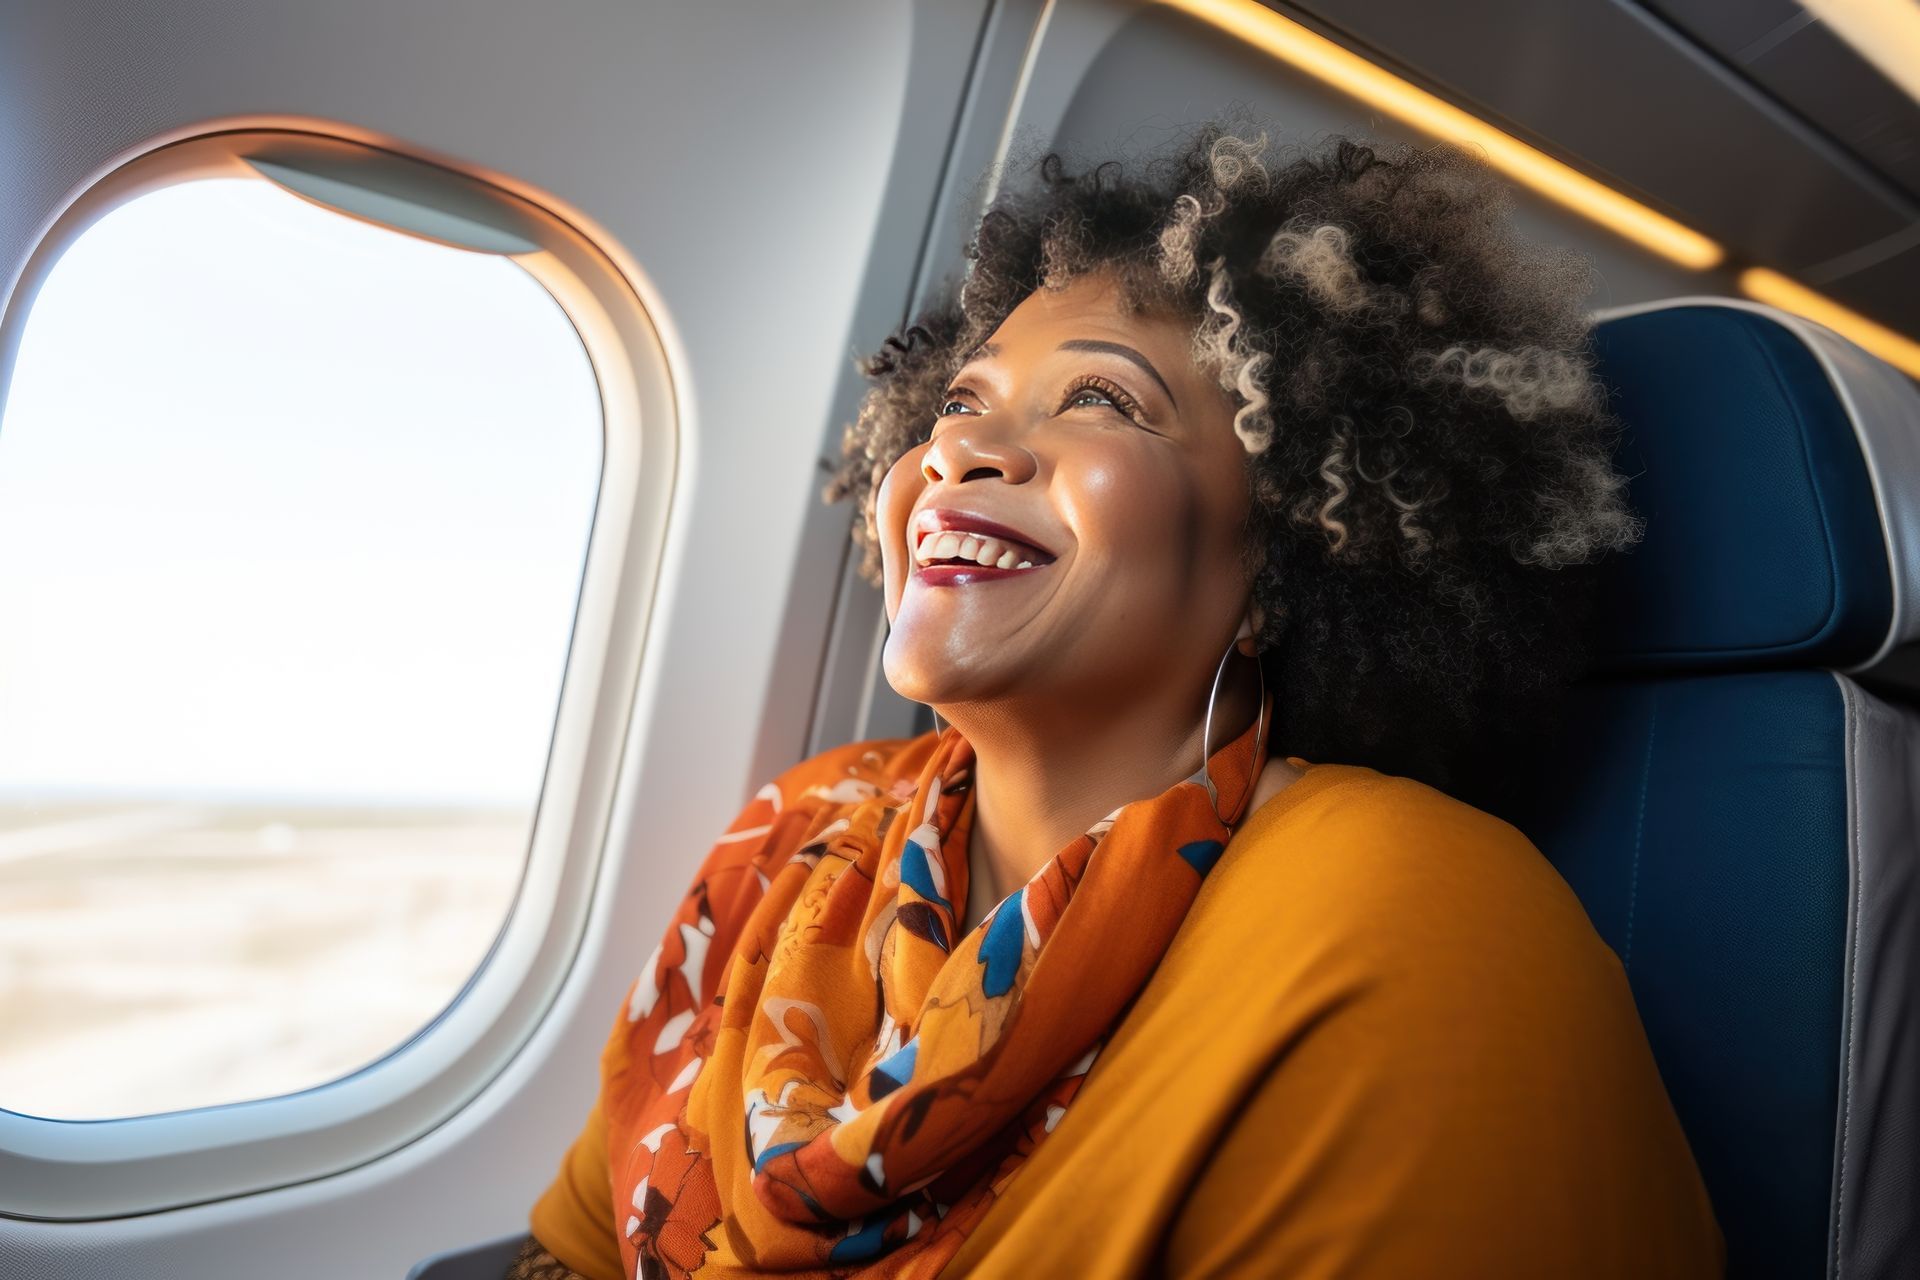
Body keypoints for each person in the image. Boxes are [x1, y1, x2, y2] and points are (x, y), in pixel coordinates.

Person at [507, 124, 1724, 1279]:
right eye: (960, 403)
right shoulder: (795, 829)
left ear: (1282, 562)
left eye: (1102, 401)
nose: (959, 454)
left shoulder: (1407, 912)